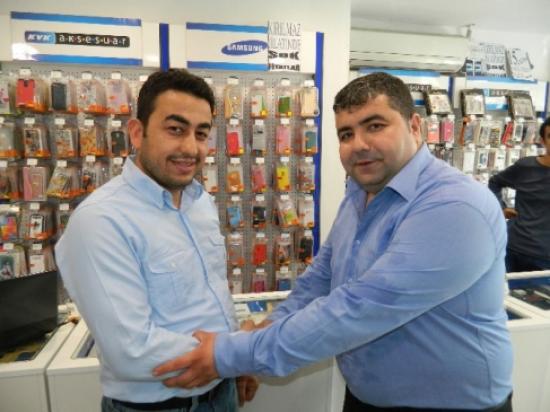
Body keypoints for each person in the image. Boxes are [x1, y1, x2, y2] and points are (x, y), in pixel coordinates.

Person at [153, 72, 514, 412]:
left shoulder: (455, 206)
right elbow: (321, 280)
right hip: (365, 399)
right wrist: (263, 334)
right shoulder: (361, 193)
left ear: (415, 126)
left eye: (375, 126)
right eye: (346, 134)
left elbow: (361, 308)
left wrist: (231, 354)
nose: (359, 145)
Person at [55, 69, 257, 412]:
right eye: (175, 129)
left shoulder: (199, 203)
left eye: (201, 133)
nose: (190, 148)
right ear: (137, 133)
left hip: (221, 392)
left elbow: (212, 297)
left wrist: (235, 362)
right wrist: (236, 353)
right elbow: (130, 349)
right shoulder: (101, 220)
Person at [488, 117, 550, 272]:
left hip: (544, 258)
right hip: (512, 248)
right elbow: (495, 182)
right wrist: (501, 208)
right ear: (542, 141)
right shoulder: (525, 167)